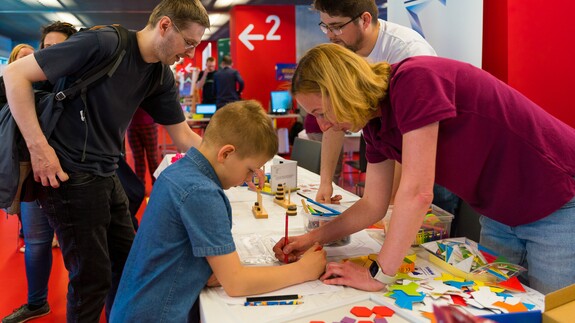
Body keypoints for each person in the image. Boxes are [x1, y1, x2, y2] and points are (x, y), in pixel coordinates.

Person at [274, 43, 575, 295]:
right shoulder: (375, 126)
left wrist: (379, 276)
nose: (324, 126)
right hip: (500, 211)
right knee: (504, 303)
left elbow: (418, 192)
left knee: (553, 309)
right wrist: (314, 238)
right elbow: (373, 205)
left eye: (321, 113)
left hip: (555, 197)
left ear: (341, 90)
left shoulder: (414, 80)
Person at [3, 0, 210, 321]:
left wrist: (226, 161)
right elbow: (15, 74)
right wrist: (39, 148)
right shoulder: (104, 43)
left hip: (106, 174)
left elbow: (183, 136)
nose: (191, 54)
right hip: (67, 176)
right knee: (91, 280)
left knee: (126, 264)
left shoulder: (159, 75)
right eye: (189, 43)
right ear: (165, 25)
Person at [110, 100, 326, 322]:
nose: (248, 179)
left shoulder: (179, 172)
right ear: (226, 154)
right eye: (250, 170)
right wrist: (303, 270)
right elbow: (236, 283)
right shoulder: (202, 192)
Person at [309, 0, 461, 216]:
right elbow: (335, 116)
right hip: (392, 153)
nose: (330, 35)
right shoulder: (345, 51)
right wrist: (325, 182)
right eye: (325, 27)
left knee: (426, 238)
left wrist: (391, 204)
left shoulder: (409, 51)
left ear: (365, 20)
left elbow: (411, 136)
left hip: (431, 159)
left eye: (336, 26)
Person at [2, 21, 78, 323]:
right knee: (35, 242)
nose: (52, 54)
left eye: (60, 47)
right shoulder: (22, 86)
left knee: (77, 245)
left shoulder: (81, 87)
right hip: (34, 177)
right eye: (47, 48)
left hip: (72, 179)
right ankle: (36, 303)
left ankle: (82, 305)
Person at [126, 108, 159, 185]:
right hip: (132, 125)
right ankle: (140, 187)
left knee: (152, 158)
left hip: (148, 123)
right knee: (138, 159)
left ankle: (157, 185)